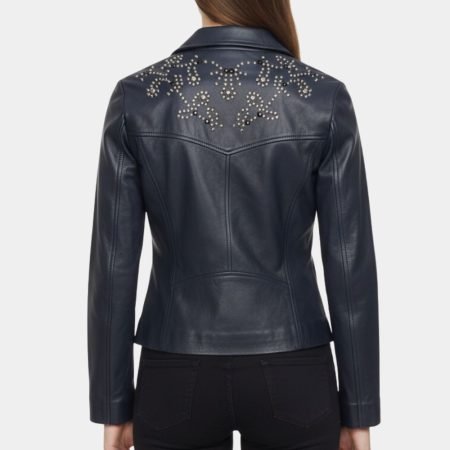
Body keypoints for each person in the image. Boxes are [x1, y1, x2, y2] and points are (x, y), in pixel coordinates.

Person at [87, 1, 380, 449]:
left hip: (175, 371)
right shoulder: (323, 98)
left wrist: (113, 407)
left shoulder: (138, 97)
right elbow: (349, 263)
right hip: (294, 369)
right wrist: (359, 412)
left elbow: (112, 267)